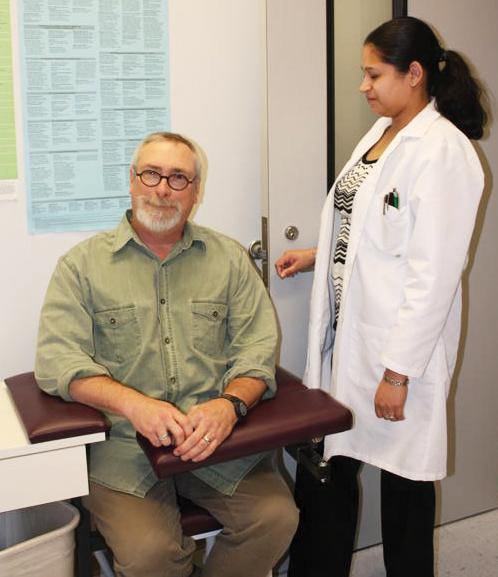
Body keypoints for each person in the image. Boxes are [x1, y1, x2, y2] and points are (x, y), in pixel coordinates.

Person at [275, 16, 487, 577]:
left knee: (405, 491)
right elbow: (371, 224)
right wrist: (321, 256)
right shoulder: (383, 132)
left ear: (414, 74)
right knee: (330, 468)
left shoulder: (444, 151)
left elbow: (433, 273)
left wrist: (397, 374)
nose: (363, 86)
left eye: (374, 74)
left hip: (397, 356)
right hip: (348, 342)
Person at [36, 132, 298, 577]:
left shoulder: (230, 259)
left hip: (216, 440)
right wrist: (135, 406)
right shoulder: (80, 266)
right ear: (132, 181)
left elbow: (256, 349)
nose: (162, 189)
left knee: (276, 519)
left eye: (178, 178)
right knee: (151, 557)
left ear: (195, 192)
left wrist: (229, 405)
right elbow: (57, 362)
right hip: (123, 450)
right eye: (152, 174)